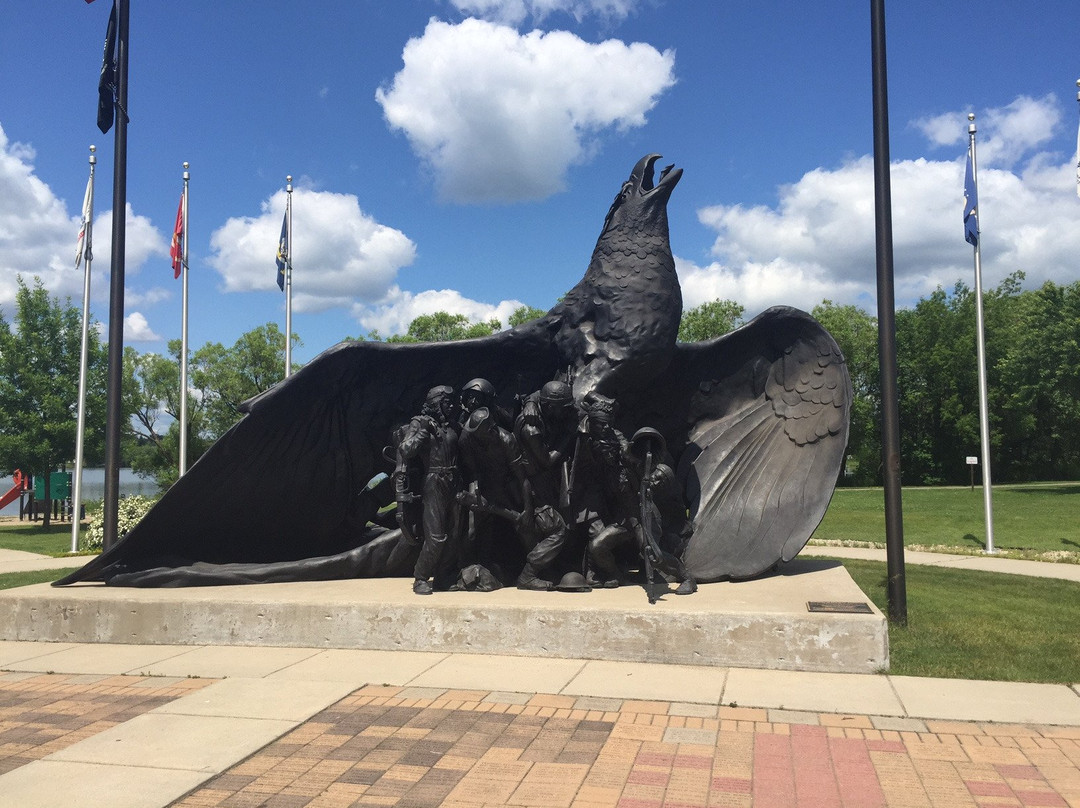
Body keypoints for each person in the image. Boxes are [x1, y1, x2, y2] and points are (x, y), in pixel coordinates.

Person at [397, 385, 462, 595]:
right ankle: (421, 577)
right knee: (436, 536)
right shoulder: (421, 422)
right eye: (446, 402)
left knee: (454, 534)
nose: (451, 406)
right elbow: (406, 450)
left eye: (452, 402)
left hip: (455, 481)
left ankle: (443, 577)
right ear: (435, 403)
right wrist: (423, 431)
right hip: (434, 480)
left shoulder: (453, 425)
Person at [515, 379, 578, 511]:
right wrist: (568, 435)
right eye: (564, 407)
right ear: (550, 407)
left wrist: (530, 401)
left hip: (547, 474)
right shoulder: (531, 430)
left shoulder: (544, 406)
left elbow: (540, 393)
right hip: (537, 482)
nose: (568, 410)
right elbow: (547, 461)